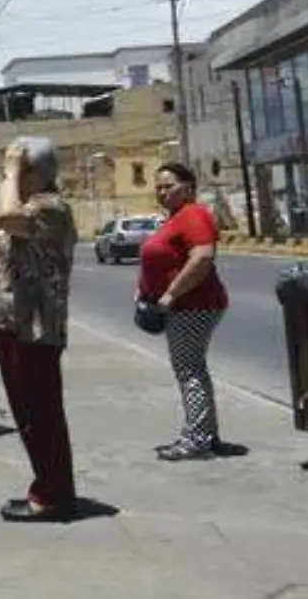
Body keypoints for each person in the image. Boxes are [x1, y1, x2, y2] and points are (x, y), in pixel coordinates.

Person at [0, 137, 80, 522]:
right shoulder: (31, 207)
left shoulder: (51, 207)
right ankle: (48, 485)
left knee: (40, 413)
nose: (9, 179)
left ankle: (53, 494)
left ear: (34, 174)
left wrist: (9, 172)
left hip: (34, 327)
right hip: (15, 325)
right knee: (29, 411)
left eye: (17, 173)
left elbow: (8, 220)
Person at [138, 161, 234, 460]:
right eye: (159, 187)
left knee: (189, 369)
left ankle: (197, 439)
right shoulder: (175, 218)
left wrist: (170, 294)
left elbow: (203, 258)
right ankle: (208, 434)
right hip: (183, 306)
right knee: (192, 368)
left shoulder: (193, 214)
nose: (162, 192)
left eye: (169, 186)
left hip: (193, 305)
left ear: (189, 188)